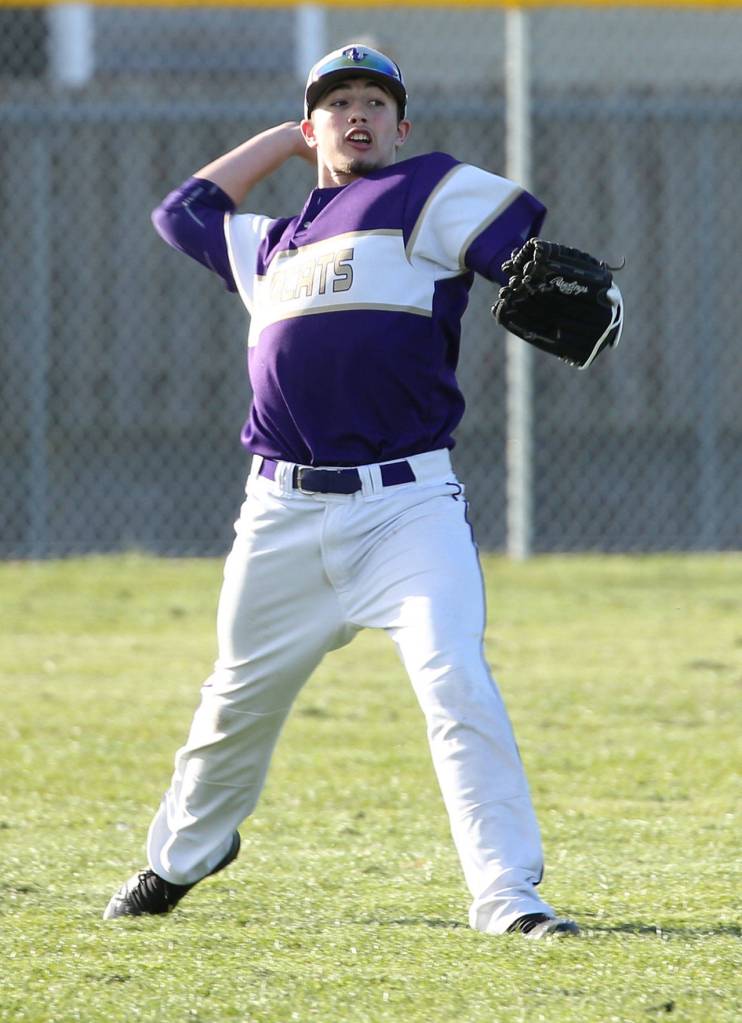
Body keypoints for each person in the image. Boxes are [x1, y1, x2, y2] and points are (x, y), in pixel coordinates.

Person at [103, 44, 580, 939]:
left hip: (408, 509)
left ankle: (508, 894)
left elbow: (519, 242)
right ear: (312, 122)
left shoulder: (424, 191)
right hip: (281, 514)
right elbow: (183, 211)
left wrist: (524, 259)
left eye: (374, 102)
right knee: (233, 702)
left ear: (401, 127)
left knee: (455, 681)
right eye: (336, 103)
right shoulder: (268, 246)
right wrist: (282, 145)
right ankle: (182, 856)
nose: (356, 115)